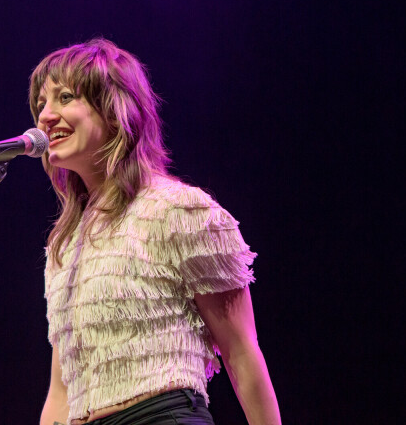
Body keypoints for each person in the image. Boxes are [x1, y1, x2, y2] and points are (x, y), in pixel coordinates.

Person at [29, 38, 281, 425]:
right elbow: (62, 390)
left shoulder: (177, 211)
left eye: (65, 97)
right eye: (42, 103)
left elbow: (241, 352)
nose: (46, 115)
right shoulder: (63, 246)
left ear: (114, 110)